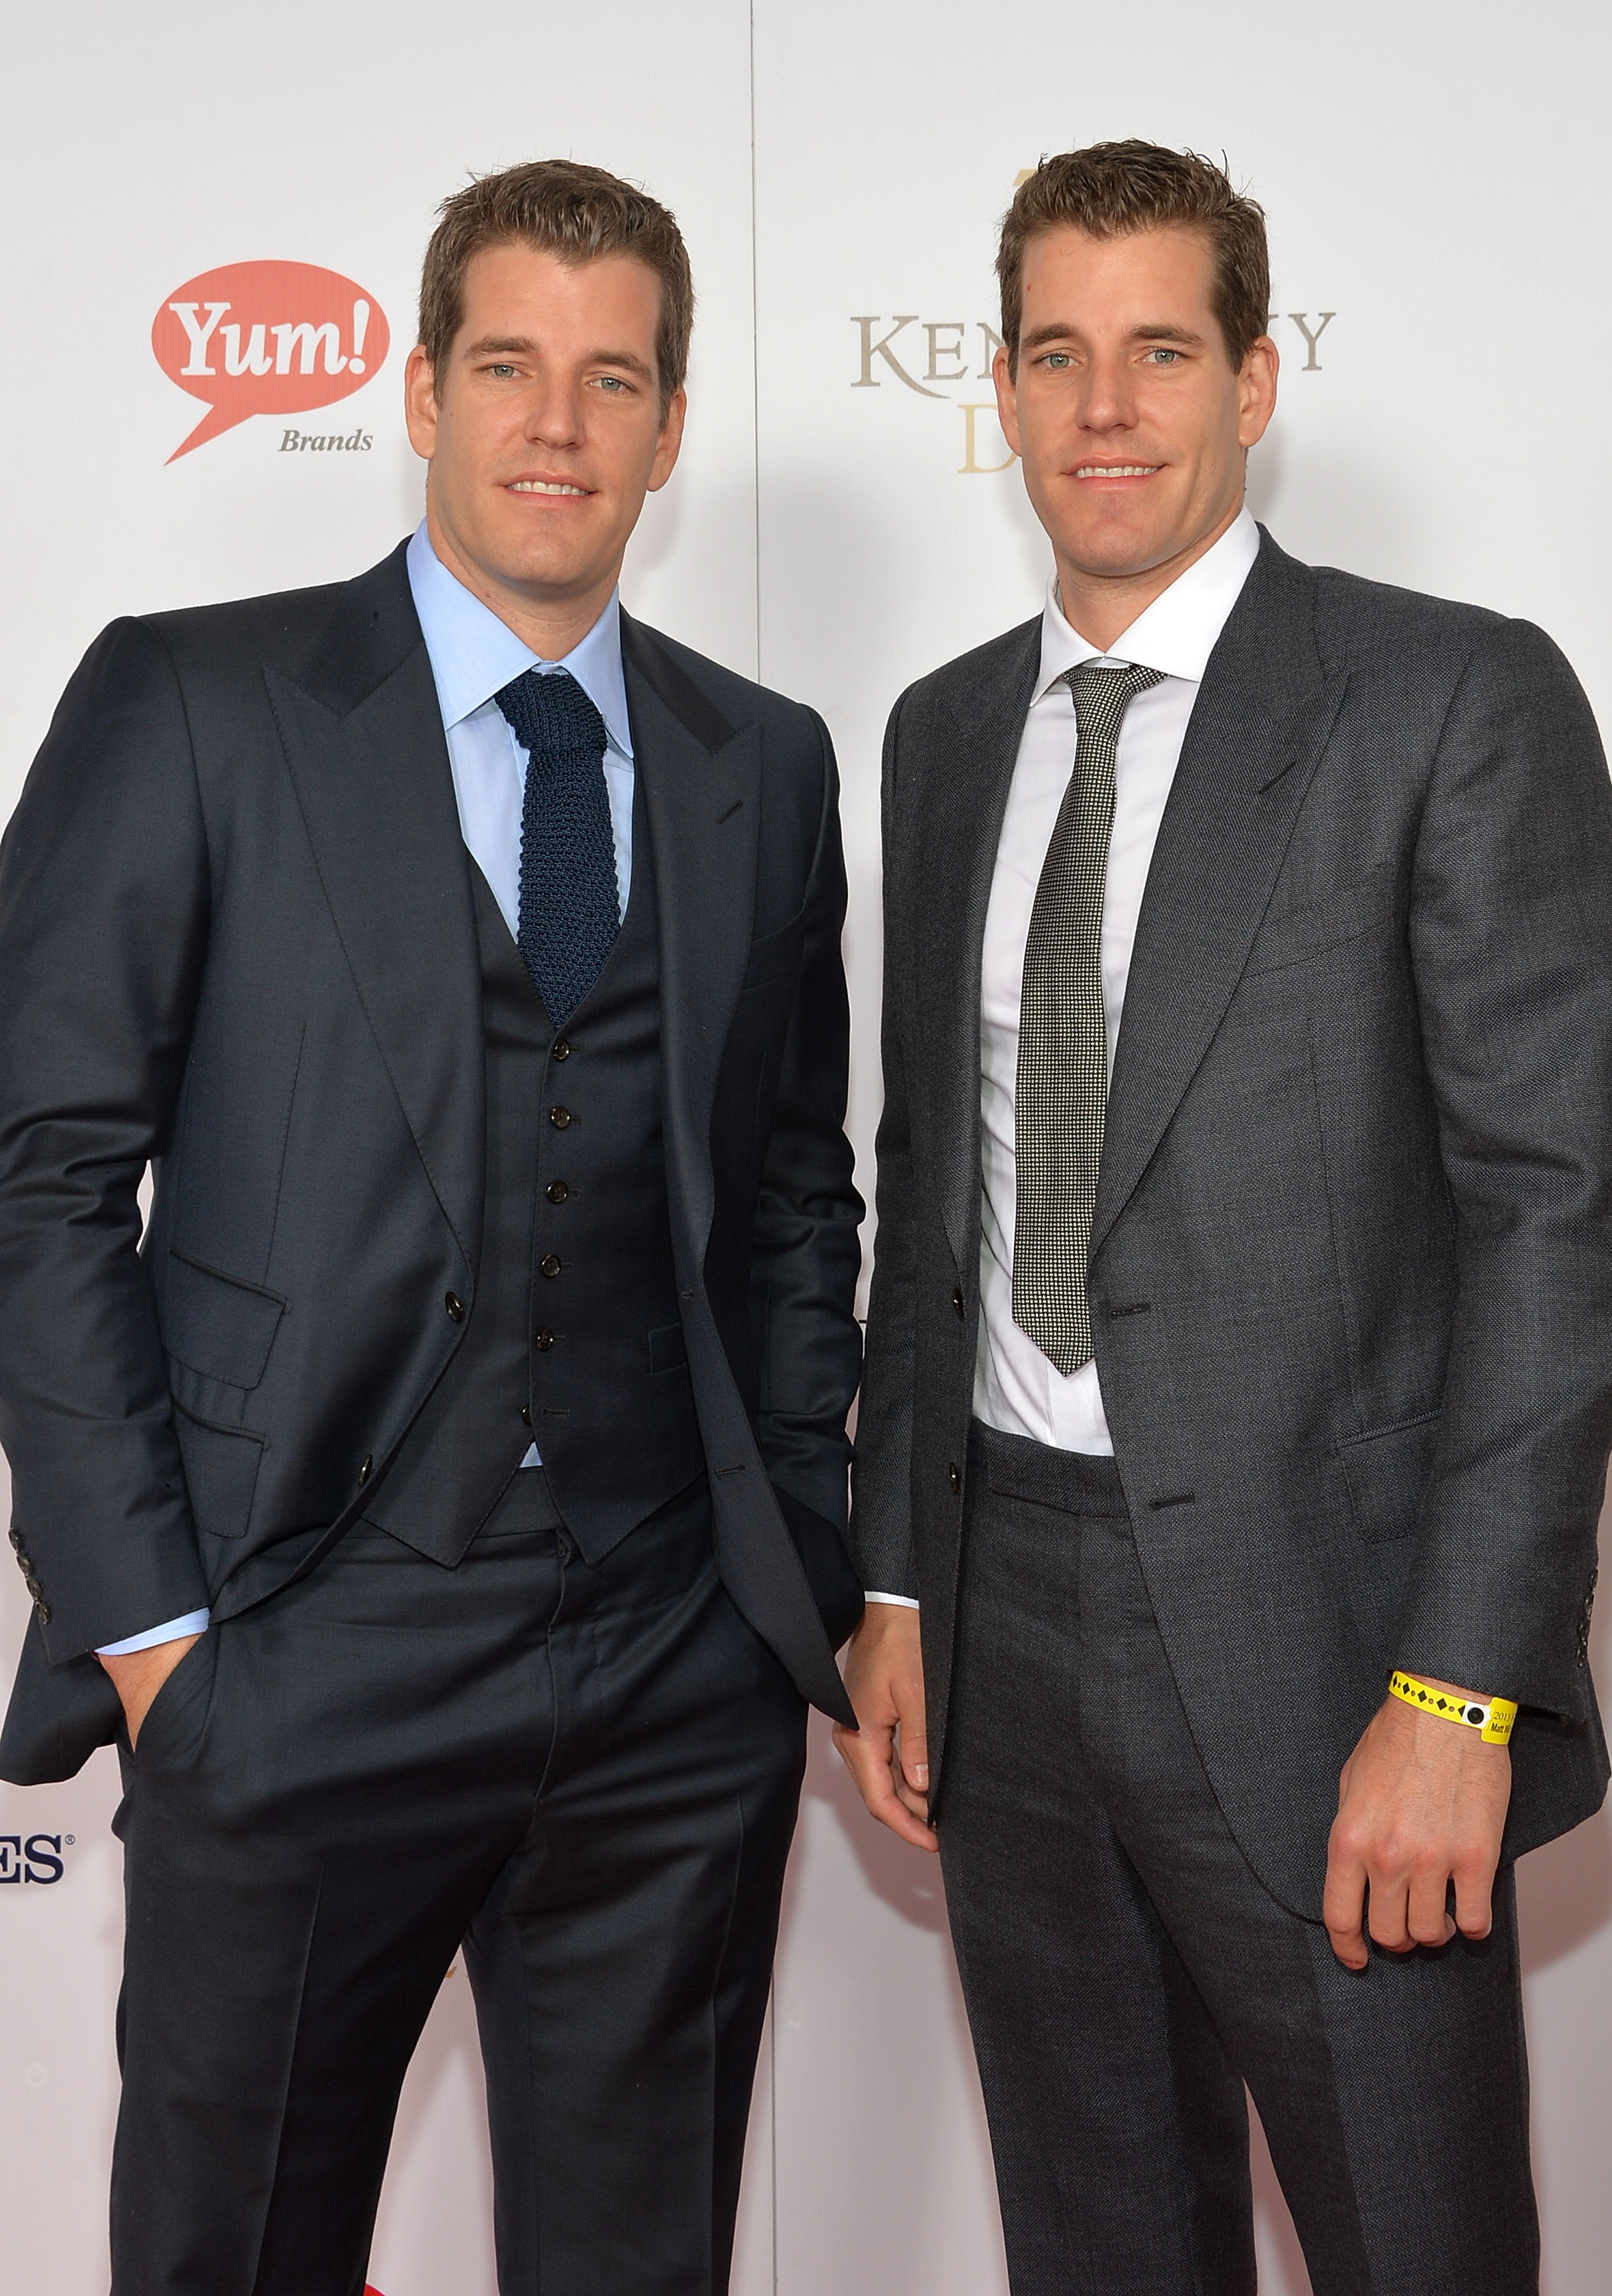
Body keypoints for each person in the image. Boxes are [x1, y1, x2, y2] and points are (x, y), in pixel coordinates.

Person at [0, 158, 863, 2296]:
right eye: (506, 367)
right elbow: (35, 1173)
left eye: (612, 379)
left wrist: (789, 1567)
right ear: (416, 390)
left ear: (670, 425)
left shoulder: (766, 761)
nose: (556, 424)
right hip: (295, 1648)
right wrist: (156, 1638)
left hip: (672, 1681)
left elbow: (788, 1195)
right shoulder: (196, 703)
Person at [838, 139, 1612, 2292]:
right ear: (1002, 391)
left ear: (1255, 380)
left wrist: (1458, 1693)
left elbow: (1562, 1222)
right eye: (1056, 355)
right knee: (1094, 2240)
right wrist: (897, 1576)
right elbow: (934, 1187)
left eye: (1161, 351)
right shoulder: (940, 736)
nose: (1105, 408)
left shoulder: (1449, 699)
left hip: (1333, 1649)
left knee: (1416, 2243)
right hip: (1001, 1625)